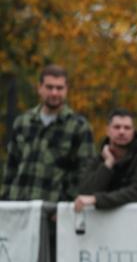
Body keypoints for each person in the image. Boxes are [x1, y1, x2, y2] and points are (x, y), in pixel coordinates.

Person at [1, 65, 95, 202]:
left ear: (66, 89)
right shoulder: (22, 122)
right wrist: (5, 199)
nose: (54, 93)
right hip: (19, 206)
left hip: (53, 210)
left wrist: (66, 204)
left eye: (59, 88)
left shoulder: (79, 127)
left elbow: (85, 172)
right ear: (40, 88)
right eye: (49, 87)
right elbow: (11, 166)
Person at [75, 109, 137, 211]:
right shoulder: (100, 158)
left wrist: (97, 199)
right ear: (107, 130)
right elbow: (85, 193)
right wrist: (107, 165)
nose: (122, 132)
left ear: (133, 131)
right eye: (117, 127)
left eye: (127, 128)